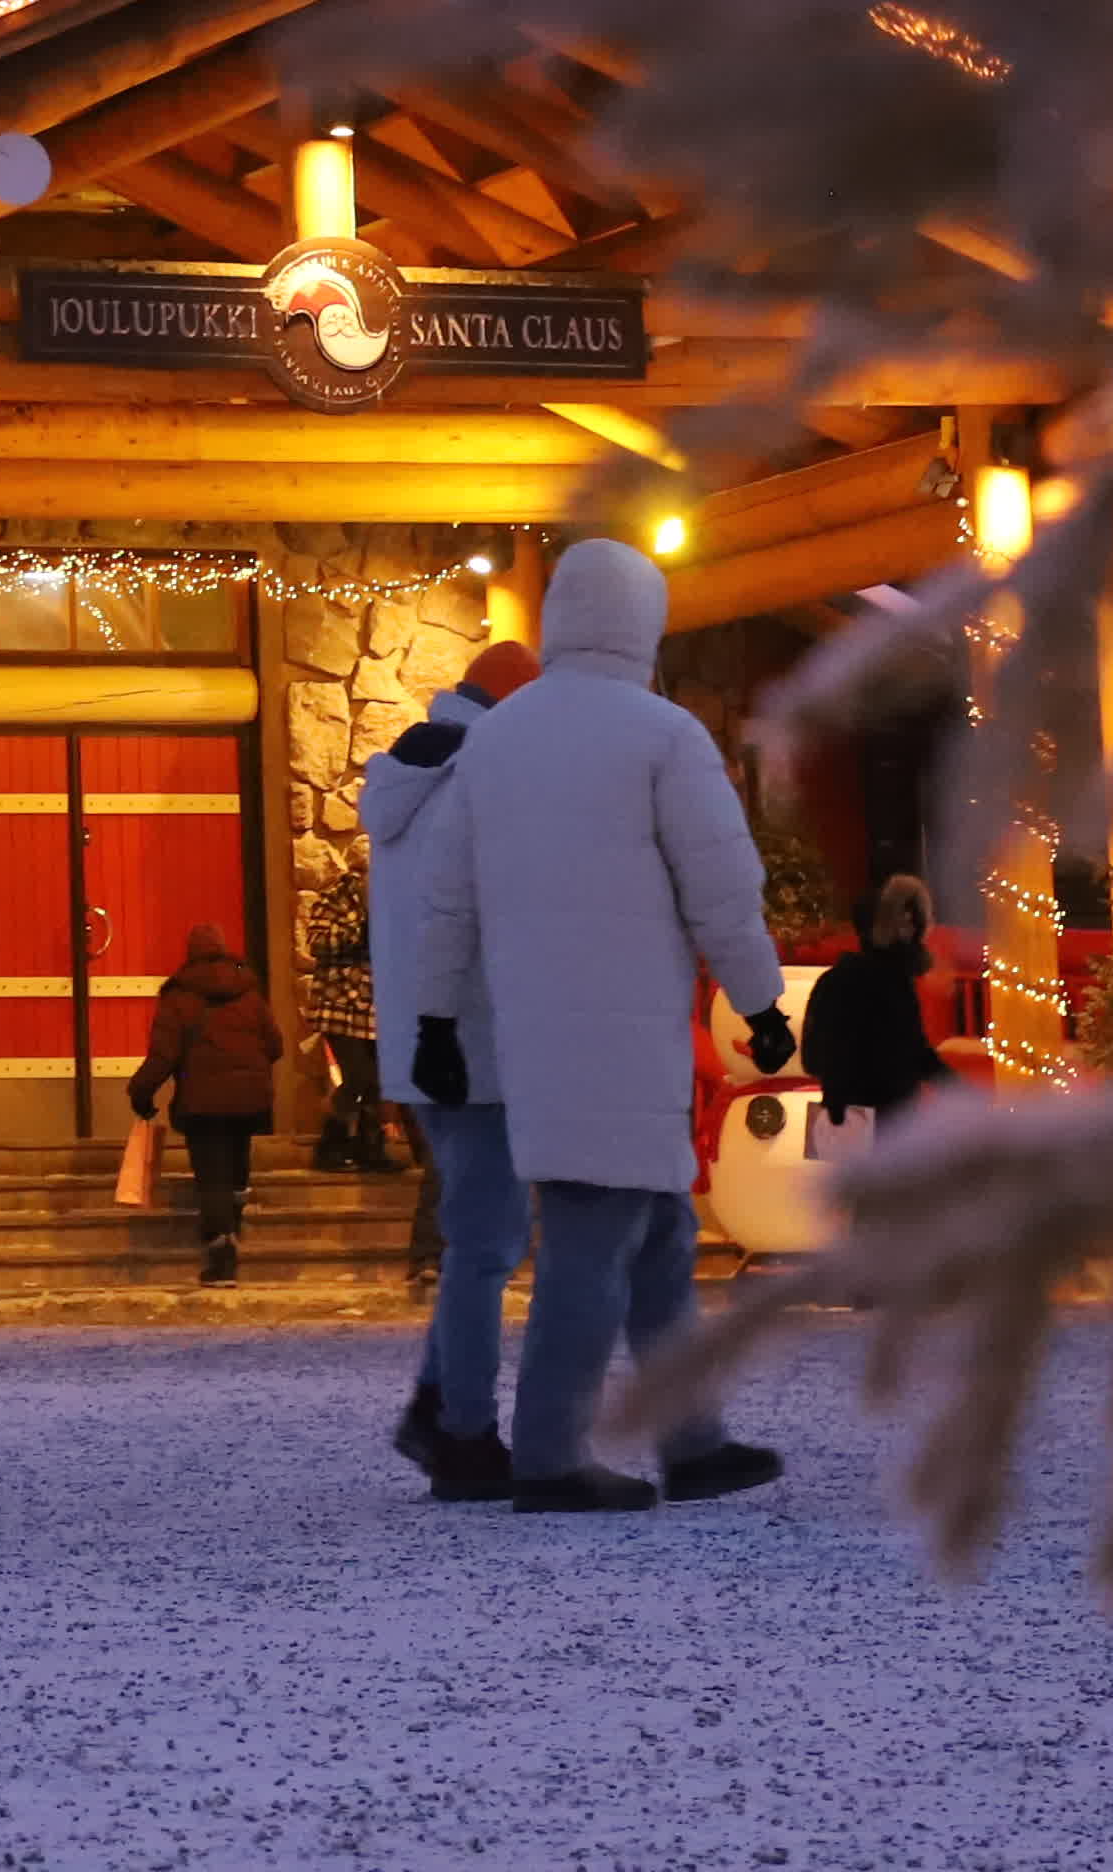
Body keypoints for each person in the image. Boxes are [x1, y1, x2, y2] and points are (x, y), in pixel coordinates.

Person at [404, 535, 789, 1514]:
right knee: (592, 1241)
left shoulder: (497, 741)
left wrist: (436, 1019)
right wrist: (759, 1001)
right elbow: (722, 888)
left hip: (536, 1041)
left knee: (658, 1237)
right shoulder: (664, 735)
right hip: (631, 1045)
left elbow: (444, 903)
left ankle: (691, 1438)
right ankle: (549, 1454)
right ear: (642, 620)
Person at [361, 636, 536, 1500]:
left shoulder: (410, 777)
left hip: (427, 1046)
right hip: (484, 1043)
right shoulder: (484, 782)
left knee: (477, 1239)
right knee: (486, 1247)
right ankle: (463, 1431)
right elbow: (497, 920)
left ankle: (439, 1408)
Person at [124, 928, 279, 1286]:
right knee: (236, 1160)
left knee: (212, 1175)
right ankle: (234, 1217)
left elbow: (164, 1055)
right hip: (249, 1099)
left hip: (202, 1103)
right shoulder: (249, 991)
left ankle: (222, 1255)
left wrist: (141, 1094)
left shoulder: (179, 997)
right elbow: (276, 1045)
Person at [803, 873, 950, 1136]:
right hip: (889, 1128)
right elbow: (916, 1056)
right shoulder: (893, 985)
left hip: (839, 1126)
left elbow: (811, 1059)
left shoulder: (832, 980)